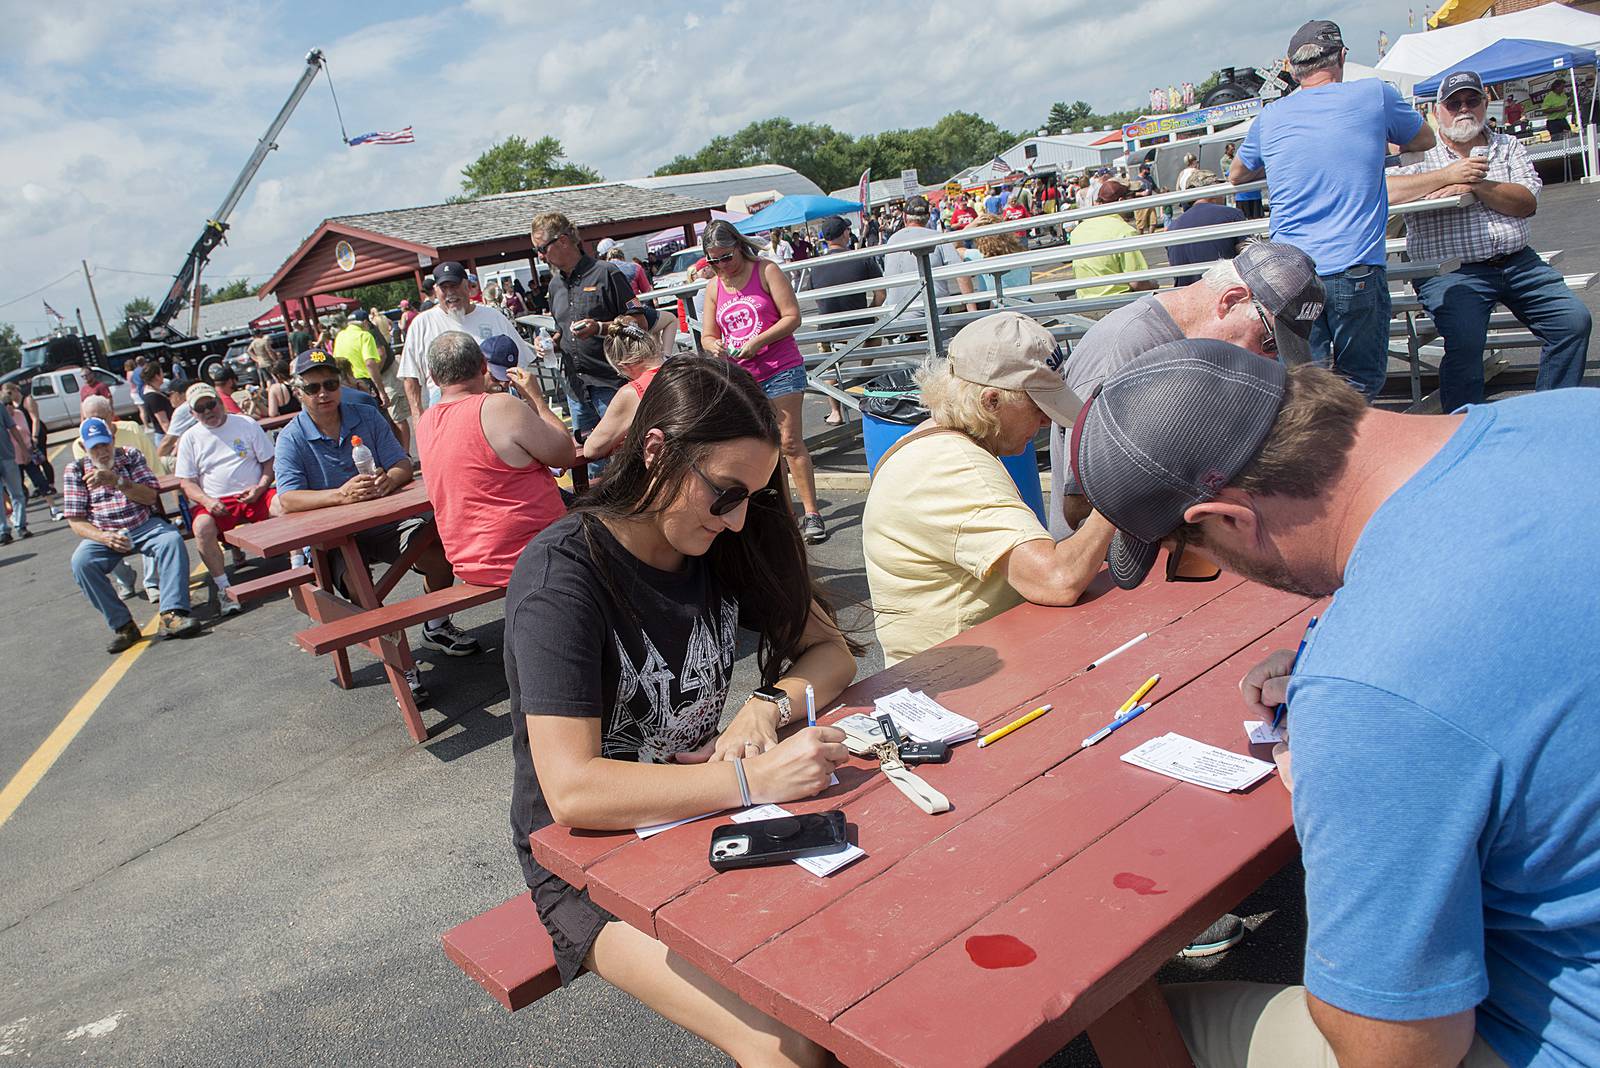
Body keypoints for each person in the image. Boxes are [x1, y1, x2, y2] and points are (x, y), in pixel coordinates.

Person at [1072, 339, 1600, 1068]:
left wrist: (1345, 739)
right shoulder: (1566, 415)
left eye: (1192, 556)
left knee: (1146, 1027)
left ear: (1228, 517)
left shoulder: (1371, 694)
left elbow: (1399, 1052)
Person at [504, 355, 857, 1068]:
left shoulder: (723, 534)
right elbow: (573, 790)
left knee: (857, 967)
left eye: (753, 500)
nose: (735, 521)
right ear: (659, 449)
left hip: (703, 818)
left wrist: (763, 708)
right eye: (726, 494)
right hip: (586, 862)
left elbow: (832, 653)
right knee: (788, 1045)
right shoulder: (561, 574)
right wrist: (756, 783)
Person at [863, 312, 1112, 665]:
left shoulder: (929, 440)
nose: (1045, 421)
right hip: (958, 688)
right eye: (1037, 405)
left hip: (955, 669)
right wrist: (1116, 499)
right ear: (991, 401)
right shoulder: (955, 466)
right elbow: (1058, 580)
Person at [1046, 240, 1324, 539]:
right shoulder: (1124, 348)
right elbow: (1080, 507)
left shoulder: (1209, 352)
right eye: (1268, 343)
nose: (1268, 359)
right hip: (1116, 563)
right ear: (1230, 300)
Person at [1230, 18, 1435, 399]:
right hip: (1352, 266)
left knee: (1303, 387)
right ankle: (1353, 454)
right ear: (1342, 57)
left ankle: (1317, 455)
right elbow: (1424, 138)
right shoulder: (1375, 95)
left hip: (1290, 274)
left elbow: (1237, 174)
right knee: (1360, 380)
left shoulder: (1271, 116)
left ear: (1291, 68)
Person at [273, 350, 478, 699]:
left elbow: (400, 463)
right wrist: (339, 496)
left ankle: (437, 626)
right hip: (332, 538)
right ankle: (402, 666)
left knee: (438, 554)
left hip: (382, 523)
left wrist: (390, 480)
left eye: (330, 384)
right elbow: (288, 499)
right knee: (360, 588)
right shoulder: (291, 437)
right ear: (298, 391)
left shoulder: (365, 414)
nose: (323, 393)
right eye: (313, 387)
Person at [1387, 69, 1591, 414]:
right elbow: (1386, 192)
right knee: (1465, 342)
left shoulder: (1507, 145)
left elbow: (1526, 202)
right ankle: (1465, 427)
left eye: (1472, 100)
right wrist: (1447, 177)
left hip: (1517, 261)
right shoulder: (1419, 155)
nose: (1464, 109)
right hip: (1451, 270)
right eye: (1454, 103)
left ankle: (1550, 413)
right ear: (1437, 112)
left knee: (1573, 322)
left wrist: (1477, 186)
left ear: (1485, 104)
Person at [699, 219, 827, 544]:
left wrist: (759, 341)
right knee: (761, 448)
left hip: (779, 367)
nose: (721, 266)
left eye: (726, 257)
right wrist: (713, 345)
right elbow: (708, 335)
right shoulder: (715, 285)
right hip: (742, 376)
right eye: (713, 260)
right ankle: (784, 513)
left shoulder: (765, 270)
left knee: (789, 442)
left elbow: (792, 316)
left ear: (739, 247)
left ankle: (812, 513)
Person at [414, 332, 574, 588]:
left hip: (471, 563)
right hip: (537, 555)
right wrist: (536, 398)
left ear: (432, 377)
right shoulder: (500, 407)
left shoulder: (424, 424)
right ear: (483, 366)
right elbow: (565, 454)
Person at [65, 417, 201, 650]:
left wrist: (117, 481)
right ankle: (123, 626)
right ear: (84, 448)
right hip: (106, 532)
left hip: (142, 523)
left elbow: (150, 497)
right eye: (95, 447)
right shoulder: (75, 471)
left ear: (113, 440)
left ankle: (172, 613)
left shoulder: (131, 456)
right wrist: (103, 537)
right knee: (81, 562)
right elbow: (75, 521)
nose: (102, 451)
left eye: (105, 444)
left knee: (170, 540)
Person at [529, 215, 642, 471]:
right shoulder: (556, 285)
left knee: (630, 459)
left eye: (542, 248)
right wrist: (550, 343)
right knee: (591, 465)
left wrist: (599, 328)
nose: (540, 257)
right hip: (576, 390)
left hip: (610, 383)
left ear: (564, 241)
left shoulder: (607, 273)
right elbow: (561, 330)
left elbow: (639, 321)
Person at [174, 384, 275, 616]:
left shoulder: (245, 423)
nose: (208, 411)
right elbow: (186, 483)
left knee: (284, 503)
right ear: (192, 414)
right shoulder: (189, 438)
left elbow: (269, 462)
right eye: (200, 408)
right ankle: (224, 588)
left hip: (254, 494)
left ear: (220, 403)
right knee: (201, 527)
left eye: (210, 404)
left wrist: (260, 486)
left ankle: (301, 568)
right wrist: (207, 501)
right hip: (216, 502)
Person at [400, 261, 533, 417]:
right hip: (446, 410)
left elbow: (520, 364)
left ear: (468, 286)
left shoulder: (493, 316)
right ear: (436, 291)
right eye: (444, 288)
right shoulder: (421, 324)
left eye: (454, 286)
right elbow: (410, 377)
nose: (450, 293)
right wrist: (417, 417)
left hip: (496, 405)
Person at [800, 216, 886, 426]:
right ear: (846, 233)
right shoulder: (862, 258)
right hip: (859, 326)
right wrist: (870, 312)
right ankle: (863, 375)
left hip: (828, 329)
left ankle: (835, 412)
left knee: (830, 366)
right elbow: (881, 294)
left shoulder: (816, 265)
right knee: (876, 338)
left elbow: (818, 296)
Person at [576, 321, 666, 462]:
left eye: (621, 374)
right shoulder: (689, 367)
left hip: (675, 470)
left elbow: (591, 450)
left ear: (625, 366)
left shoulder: (632, 392)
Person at [881, 195, 978, 322]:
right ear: (928, 217)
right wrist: (973, 312)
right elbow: (961, 273)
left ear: (904, 217)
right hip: (932, 313)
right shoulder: (937, 237)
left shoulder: (892, 240)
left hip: (897, 316)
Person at [1069, 180, 1157, 301]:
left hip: (1084, 302)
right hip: (1117, 304)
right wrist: (1154, 285)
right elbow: (1137, 282)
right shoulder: (1124, 231)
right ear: (1121, 201)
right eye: (1129, 197)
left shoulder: (1078, 230)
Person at [1164, 173, 1247, 286]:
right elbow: (1248, 254)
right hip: (1223, 292)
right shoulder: (1231, 214)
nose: (1223, 195)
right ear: (1212, 193)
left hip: (1185, 296)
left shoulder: (1172, 228)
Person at [1, 383, 52, 498]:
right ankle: (38, 488)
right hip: (20, 444)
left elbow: (35, 419)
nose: (8, 397)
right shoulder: (11, 407)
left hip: (35, 433)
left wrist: (34, 437)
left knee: (42, 460)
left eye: (9, 393)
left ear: (15, 389)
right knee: (28, 471)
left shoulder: (27, 401)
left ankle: (50, 485)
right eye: (6, 395)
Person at [0, 394, 30, 543]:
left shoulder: (0, 406)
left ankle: (20, 525)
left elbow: (12, 427)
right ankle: (3, 530)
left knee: (16, 492)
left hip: (7, 456)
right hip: (6, 457)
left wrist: (24, 449)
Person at [139, 363, 174, 446]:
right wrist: (174, 441)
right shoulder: (153, 397)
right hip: (165, 436)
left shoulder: (154, 392)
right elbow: (164, 422)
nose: (163, 375)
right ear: (157, 376)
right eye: (161, 373)